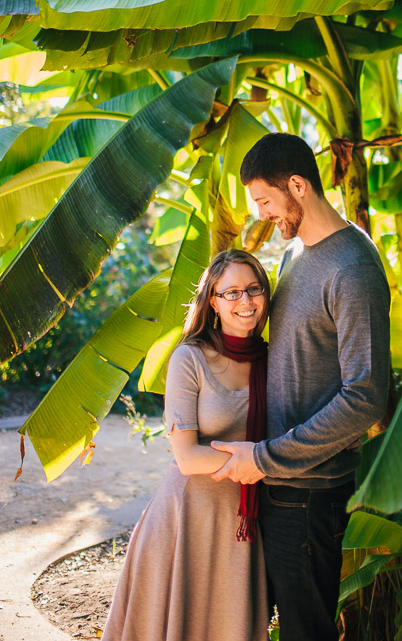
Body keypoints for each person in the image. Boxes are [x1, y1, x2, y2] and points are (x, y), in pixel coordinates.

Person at [211, 133, 391, 641]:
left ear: (298, 185)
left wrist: (265, 457)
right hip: (276, 483)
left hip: (310, 493)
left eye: (267, 200)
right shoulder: (295, 253)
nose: (264, 214)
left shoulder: (352, 268)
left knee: (305, 632)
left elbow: (365, 397)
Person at [102, 249, 271, 641]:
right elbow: (187, 457)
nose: (245, 301)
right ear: (213, 301)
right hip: (187, 516)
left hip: (245, 524)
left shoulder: (274, 360)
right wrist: (260, 460)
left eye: (253, 289)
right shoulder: (189, 359)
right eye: (231, 293)